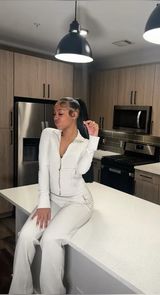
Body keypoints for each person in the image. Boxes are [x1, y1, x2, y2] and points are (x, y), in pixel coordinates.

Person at [9, 97, 99, 294]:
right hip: (53, 199)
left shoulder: (84, 143)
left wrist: (93, 141)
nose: (55, 117)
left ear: (74, 115)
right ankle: (19, 290)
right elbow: (44, 169)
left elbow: (82, 170)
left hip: (78, 202)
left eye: (60, 114)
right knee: (25, 236)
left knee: (50, 239)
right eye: (54, 114)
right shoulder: (48, 134)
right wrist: (44, 203)